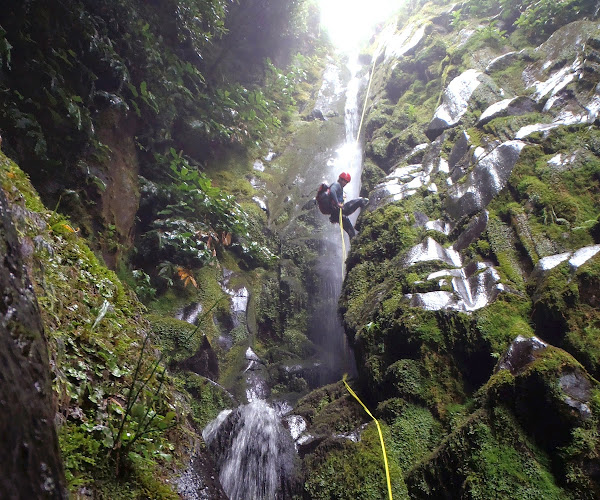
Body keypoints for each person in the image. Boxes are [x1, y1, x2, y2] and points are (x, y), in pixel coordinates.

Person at [326, 172, 368, 239]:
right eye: (344, 180)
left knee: (351, 233)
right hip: (340, 211)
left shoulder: (339, 187)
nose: (345, 183)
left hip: (337, 214)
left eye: (346, 182)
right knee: (361, 200)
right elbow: (332, 191)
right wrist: (337, 203)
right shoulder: (337, 185)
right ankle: (365, 218)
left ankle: (354, 246)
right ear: (340, 179)